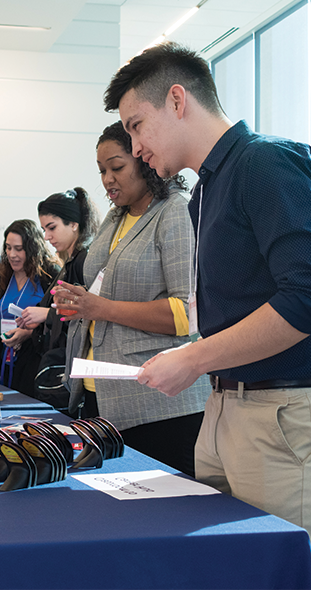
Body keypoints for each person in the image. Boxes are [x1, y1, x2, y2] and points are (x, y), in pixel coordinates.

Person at [104, 40, 311, 587]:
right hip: (227, 408)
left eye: (137, 126)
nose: (134, 148)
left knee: (292, 574)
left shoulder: (269, 162)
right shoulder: (206, 192)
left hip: (283, 411)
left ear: (177, 100)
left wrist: (194, 356)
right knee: (230, 571)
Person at [55, 121, 209, 478]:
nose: (108, 179)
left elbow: (186, 315)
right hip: (99, 391)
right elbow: (102, 290)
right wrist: (77, 303)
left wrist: (100, 308)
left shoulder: (174, 212)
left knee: (161, 517)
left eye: (117, 167)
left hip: (158, 403)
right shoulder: (114, 216)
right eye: (102, 171)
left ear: (143, 159)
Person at [15, 188, 99, 409]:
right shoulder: (71, 262)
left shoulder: (84, 261)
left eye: (52, 228)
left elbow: (91, 311)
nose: (47, 236)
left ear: (74, 224)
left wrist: (47, 314)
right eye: (44, 229)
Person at [0, 220, 59, 395]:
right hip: (4, 360)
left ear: (32, 248)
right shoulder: (2, 274)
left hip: (35, 362)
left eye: (18, 248)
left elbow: (59, 322)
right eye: (8, 248)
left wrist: (29, 334)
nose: (12, 254)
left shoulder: (50, 274)